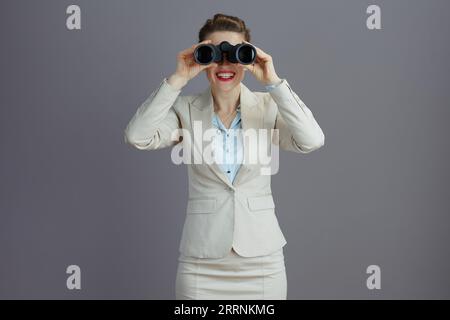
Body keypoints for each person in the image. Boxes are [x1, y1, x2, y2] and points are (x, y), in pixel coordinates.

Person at [124, 13, 325, 300]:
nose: (225, 64)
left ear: (249, 58)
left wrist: (273, 81)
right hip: (201, 263)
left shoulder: (269, 106)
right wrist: (177, 79)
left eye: (235, 54)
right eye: (216, 54)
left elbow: (312, 140)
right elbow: (137, 136)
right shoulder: (185, 110)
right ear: (201, 58)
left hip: (262, 263)